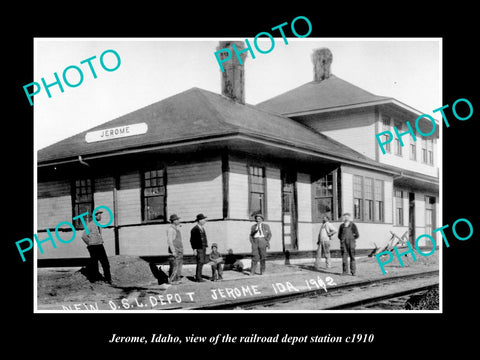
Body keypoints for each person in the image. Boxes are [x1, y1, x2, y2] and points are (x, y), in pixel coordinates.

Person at [81, 210, 112, 284]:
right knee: (94, 263)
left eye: (100, 214)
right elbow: (84, 236)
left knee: (105, 263)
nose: (100, 216)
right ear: (95, 216)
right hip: (93, 247)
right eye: (99, 215)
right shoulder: (90, 225)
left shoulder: (98, 225)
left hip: (100, 245)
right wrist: (90, 243)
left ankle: (108, 279)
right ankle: (94, 280)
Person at [190, 213, 208, 282]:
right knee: (200, 262)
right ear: (199, 220)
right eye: (203, 219)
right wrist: (194, 249)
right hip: (198, 248)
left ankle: (199, 276)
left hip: (203, 247)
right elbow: (192, 240)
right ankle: (198, 278)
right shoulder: (194, 229)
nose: (204, 221)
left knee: (202, 261)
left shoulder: (202, 228)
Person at [166, 214, 183, 284]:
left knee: (179, 265)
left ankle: (177, 279)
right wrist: (173, 251)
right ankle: (172, 280)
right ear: (173, 221)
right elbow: (170, 241)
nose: (179, 221)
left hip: (179, 249)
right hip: (175, 250)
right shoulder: (171, 229)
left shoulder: (176, 228)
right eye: (177, 220)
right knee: (174, 266)